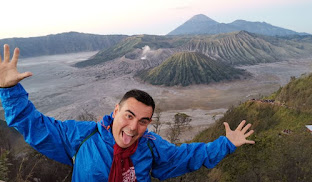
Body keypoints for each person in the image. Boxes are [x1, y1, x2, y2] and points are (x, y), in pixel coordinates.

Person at [0, 44, 255, 182]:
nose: (134, 128)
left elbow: (187, 156)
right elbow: (35, 127)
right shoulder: (82, 137)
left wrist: (227, 144)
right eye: (129, 116)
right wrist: (9, 90)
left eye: (143, 121)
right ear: (115, 111)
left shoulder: (151, 147)